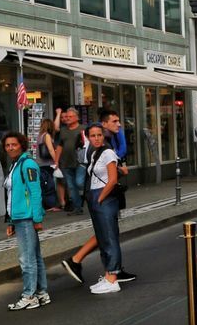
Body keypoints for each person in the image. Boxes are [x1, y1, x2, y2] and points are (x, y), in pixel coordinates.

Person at [61, 111, 137, 285]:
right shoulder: (102, 148)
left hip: (97, 193)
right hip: (100, 193)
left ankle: (110, 269)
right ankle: (106, 271)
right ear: (104, 124)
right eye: (114, 121)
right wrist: (102, 196)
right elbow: (106, 174)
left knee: (107, 232)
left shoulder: (102, 146)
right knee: (108, 234)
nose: (119, 124)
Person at [1, 132, 50, 310]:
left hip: (27, 218)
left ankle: (29, 295)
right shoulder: (16, 165)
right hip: (20, 218)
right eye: (7, 145)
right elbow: (13, 196)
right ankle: (41, 293)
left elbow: (36, 192)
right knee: (35, 257)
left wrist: (37, 218)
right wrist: (11, 222)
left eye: (14, 144)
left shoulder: (27, 164)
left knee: (27, 259)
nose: (10, 148)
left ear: (21, 145)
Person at [83, 124, 124, 294]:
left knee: (109, 237)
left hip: (104, 198)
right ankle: (107, 274)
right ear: (88, 137)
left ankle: (113, 278)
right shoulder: (94, 153)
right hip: (96, 197)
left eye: (99, 135)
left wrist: (100, 198)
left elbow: (113, 179)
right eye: (93, 135)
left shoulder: (108, 152)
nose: (97, 138)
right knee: (102, 237)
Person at [56, 107, 88, 214]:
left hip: (80, 162)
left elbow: (89, 144)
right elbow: (60, 146)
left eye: (70, 117)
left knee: (79, 183)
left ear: (77, 118)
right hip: (65, 163)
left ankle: (90, 195)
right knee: (71, 186)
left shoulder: (83, 129)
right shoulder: (63, 130)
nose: (67, 119)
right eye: (66, 117)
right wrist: (56, 161)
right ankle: (77, 208)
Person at [35, 117, 61, 211]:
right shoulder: (47, 136)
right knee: (49, 185)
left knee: (43, 185)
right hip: (46, 164)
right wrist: (56, 160)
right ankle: (50, 205)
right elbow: (50, 149)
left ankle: (45, 205)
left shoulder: (40, 135)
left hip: (39, 164)